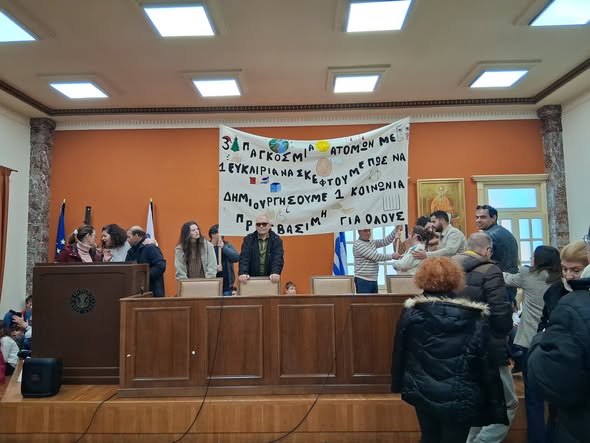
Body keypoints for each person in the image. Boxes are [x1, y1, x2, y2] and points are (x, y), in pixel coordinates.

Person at [392, 257, 508, 443]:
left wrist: (399, 384)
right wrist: (494, 400)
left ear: (421, 279)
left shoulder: (411, 313)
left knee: (429, 437)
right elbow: (485, 361)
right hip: (460, 393)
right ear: (456, 279)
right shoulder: (474, 317)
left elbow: (400, 352)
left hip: (422, 388)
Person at [453, 232, 518, 442]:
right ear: (488, 251)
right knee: (507, 403)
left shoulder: (449, 268)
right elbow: (500, 313)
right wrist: (503, 335)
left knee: (478, 402)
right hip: (489, 346)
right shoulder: (490, 270)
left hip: (458, 346)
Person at [528, 230, 590, 443]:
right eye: (564, 269)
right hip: (559, 374)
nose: (569, 275)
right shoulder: (554, 292)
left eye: (576, 270)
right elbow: (543, 324)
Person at [504, 245, 561, 443]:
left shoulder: (528, 275)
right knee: (555, 398)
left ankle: (537, 439)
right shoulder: (561, 279)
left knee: (533, 397)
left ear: (536, 260)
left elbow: (505, 279)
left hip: (530, 342)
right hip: (555, 343)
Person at [475, 204, 519, 303]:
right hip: (508, 285)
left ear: (493, 218)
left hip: (496, 287)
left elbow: (478, 261)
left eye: (483, 217)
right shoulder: (506, 233)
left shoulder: (488, 236)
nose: (478, 220)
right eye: (477, 217)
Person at [238, 215, 284, 285]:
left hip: (270, 279)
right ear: (256, 226)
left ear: (269, 225)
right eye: (258, 224)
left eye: (264, 224)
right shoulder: (248, 239)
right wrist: (243, 272)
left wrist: (275, 272)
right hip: (251, 279)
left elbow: (278, 258)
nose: (261, 226)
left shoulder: (276, 239)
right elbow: (244, 257)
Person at [353, 228, 397, 293]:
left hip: (373, 279)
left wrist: (395, 230)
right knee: (365, 300)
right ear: (359, 232)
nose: (368, 233)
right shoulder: (358, 244)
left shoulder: (371, 242)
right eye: (365, 231)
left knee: (374, 299)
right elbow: (375, 256)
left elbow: (385, 241)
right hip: (363, 280)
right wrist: (392, 256)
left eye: (369, 230)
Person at [126, 225, 167, 297]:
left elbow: (161, 266)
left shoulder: (150, 247)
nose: (127, 240)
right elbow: (127, 267)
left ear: (136, 236)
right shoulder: (131, 251)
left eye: (129, 237)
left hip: (152, 291)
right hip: (136, 291)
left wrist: (144, 277)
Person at [208, 224, 240, 296]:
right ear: (213, 234)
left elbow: (236, 257)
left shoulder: (227, 245)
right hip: (212, 285)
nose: (222, 234)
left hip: (227, 286)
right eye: (220, 232)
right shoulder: (207, 247)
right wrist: (214, 269)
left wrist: (223, 247)